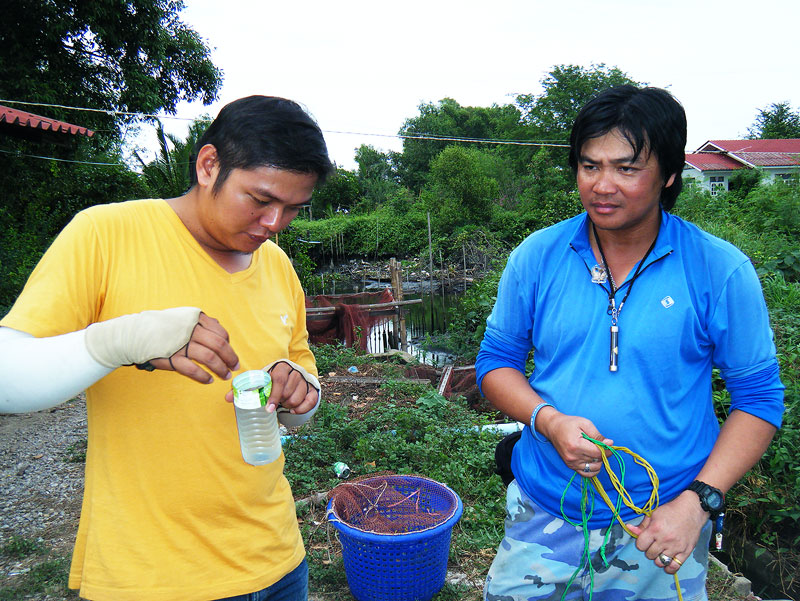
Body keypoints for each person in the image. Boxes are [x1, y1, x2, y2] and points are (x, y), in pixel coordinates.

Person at [0, 95, 333, 601]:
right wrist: (117, 342)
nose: (274, 224)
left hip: (278, 561)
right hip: (152, 576)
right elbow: (8, 374)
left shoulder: (279, 268)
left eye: (292, 209)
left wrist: (299, 390)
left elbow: (302, 382)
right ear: (208, 165)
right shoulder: (106, 234)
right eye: (260, 199)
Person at [476, 85, 784, 600]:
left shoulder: (718, 269)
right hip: (545, 509)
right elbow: (496, 364)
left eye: (626, 168)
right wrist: (548, 421)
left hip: (662, 526)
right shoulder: (538, 256)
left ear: (668, 175)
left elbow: (759, 401)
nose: (602, 185)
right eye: (589, 166)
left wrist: (697, 502)